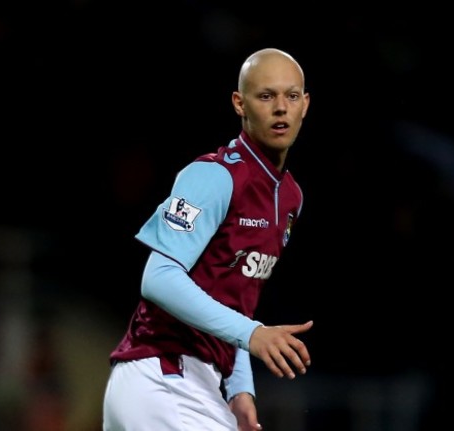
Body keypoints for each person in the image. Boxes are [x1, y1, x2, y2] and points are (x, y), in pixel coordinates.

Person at [102, 47, 313, 431]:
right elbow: (158, 278)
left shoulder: (290, 198)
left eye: (291, 96)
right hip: (163, 374)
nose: (280, 107)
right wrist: (252, 335)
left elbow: (234, 302)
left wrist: (239, 390)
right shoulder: (213, 177)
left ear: (306, 105)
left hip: (201, 383)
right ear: (240, 103)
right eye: (266, 96)